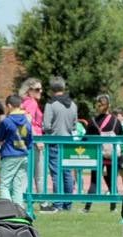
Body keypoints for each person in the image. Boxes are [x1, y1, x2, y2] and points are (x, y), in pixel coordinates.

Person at [41, 77, 78, 210]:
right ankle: (68, 204)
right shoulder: (73, 104)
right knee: (67, 173)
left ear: (51, 89)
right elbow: (74, 126)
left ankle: (57, 204)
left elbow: (46, 125)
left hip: (55, 140)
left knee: (56, 173)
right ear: (63, 88)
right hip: (68, 141)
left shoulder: (51, 104)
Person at [84, 92, 123, 210]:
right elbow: (122, 136)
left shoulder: (93, 122)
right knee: (112, 180)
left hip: (98, 154)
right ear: (109, 105)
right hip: (113, 155)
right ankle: (113, 207)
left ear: (97, 105)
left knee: (94, 181)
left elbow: (85, 139)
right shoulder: (116, 121)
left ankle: (87, 207)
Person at [0, 94, 32, 208]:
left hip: (10, 155)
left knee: (4, 185)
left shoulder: (7, 121)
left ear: (9, 106)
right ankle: (19, 211)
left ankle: (6, 210)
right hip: (23, 155)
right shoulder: (27, 120)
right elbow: (30, 139)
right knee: (18, 185)